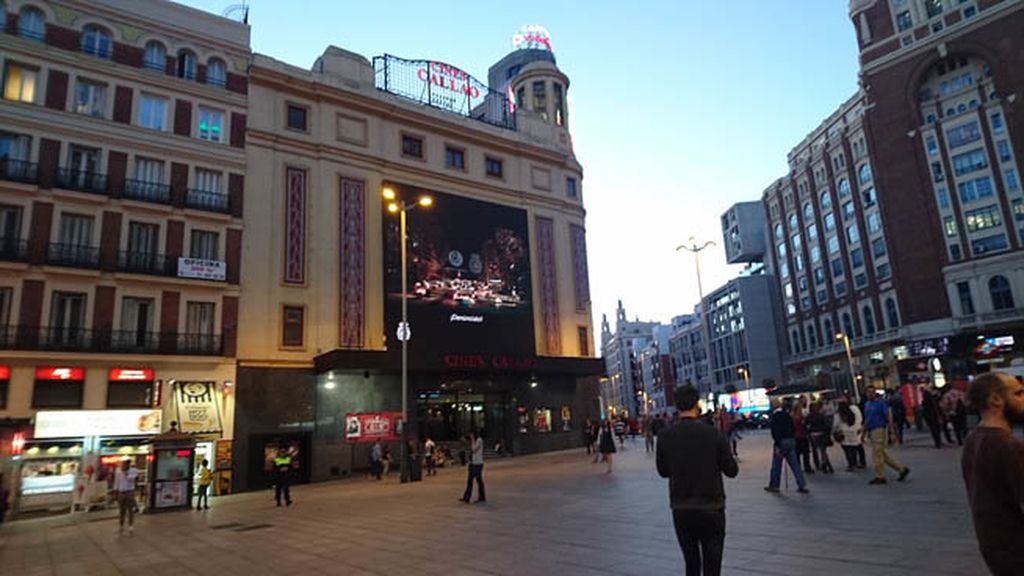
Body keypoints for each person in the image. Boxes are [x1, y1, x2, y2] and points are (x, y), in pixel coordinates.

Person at [657, 385, 739, 576]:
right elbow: (731, 471)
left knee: (691, 562)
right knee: (713, 562)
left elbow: (663, 471)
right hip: (712, 505)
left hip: (682, 506)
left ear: (677, 406)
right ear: (697, 404)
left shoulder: (666, 436)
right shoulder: (713, 434)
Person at [961, 371, 1024, 575]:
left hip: (995, 547)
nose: (1023, 398)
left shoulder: (973, 439)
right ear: (996, 399)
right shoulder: (1008, 447)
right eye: (1018, 393)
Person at [863, 386, 910, 485]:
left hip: (879, 429)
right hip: (871, 430)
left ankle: (880, 476)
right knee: (881, 454)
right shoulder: (867, 404)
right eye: (868, 392)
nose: (870, 394)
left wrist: (892, 431)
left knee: (877, 454)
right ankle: (901, 469)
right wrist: (863, 432)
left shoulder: (880, 403)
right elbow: (867, 419)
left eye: (872, 392)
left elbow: (888, 417)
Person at [764, 398, 809, 494]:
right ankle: (802, 484)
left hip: (782, 442)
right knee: (795, 465)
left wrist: (777, 445)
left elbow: (775, 432)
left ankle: (774, 485)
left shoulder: (775, 417)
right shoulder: (787, 415)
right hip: (791, 441)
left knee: (776, 465)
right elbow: (793, 428)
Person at [833, 401, 864, 472]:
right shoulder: (852, 412)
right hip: (853, 433)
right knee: (854, 449)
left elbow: (835, 425)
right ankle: (856, 462)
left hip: (844, 434)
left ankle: (851, 464)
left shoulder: (838, 415)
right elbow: (859, 419)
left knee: (847, 451)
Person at [806, 402, 834, 474]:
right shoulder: (821, 415)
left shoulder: (809, 416)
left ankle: (826, 465)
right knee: (823, 451)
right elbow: (826, 424)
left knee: (819, 451)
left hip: (814, 435)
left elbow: (806, 425)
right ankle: (826, 465)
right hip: (821, 434)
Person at [113, 458, 139, 533]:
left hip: (129, 492)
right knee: (121, 510)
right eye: (123, 464)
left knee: (130, 509)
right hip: (121, 492)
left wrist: (126, 473)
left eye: (125, 464)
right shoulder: (118, 471)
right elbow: (116, 482)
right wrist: (115, 492)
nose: (123, 466)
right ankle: (121, 526)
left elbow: (131, 479)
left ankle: (130, 525)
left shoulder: (133, 471)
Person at [459, 431, 486, 503]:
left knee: (477, 481)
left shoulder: (479, 440)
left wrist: (473, 440)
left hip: (477, 464)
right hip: (473, 463)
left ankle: (480, 497)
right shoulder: (473, 441)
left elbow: (474, 449)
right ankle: (467, 497)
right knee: (471, 481)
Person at [791, 403, 813, 474]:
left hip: (795, 437)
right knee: (805, 453)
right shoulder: (801, 418)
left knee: (797, 454)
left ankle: (798, 468)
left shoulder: (791, 417)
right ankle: (807, 467)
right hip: (802, 436)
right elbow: (805, 426)